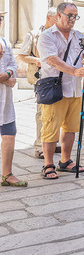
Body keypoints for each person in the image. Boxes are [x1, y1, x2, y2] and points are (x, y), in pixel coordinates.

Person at [37, 2, 84, 179]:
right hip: (55, 88)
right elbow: (51, 59)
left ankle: (65, 161)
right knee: (51, 127)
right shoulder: (47, 36)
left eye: (75, 16)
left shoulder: (79, 36)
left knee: (71, 127)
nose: (73, 19)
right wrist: (74, 70)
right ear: (59, 15)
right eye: (69, 15)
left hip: (74, 88)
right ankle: (48, 164)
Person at [18, 7, 58, 159]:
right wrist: (37, 60)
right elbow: (21, 55)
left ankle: (52, 142)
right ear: (49, 18)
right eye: (56, 20)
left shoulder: (58, 35)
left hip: (57, 78)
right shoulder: (34, 35)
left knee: (56, 112)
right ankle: (39, 146)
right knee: (42, 112)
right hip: (41, 79)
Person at [0, 12, 28, 187]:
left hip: (5, 97)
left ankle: (7, 174)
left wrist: (8, 74)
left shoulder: (4, 41)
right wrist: (4, 78)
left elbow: (13, 64)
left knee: (9, 133)